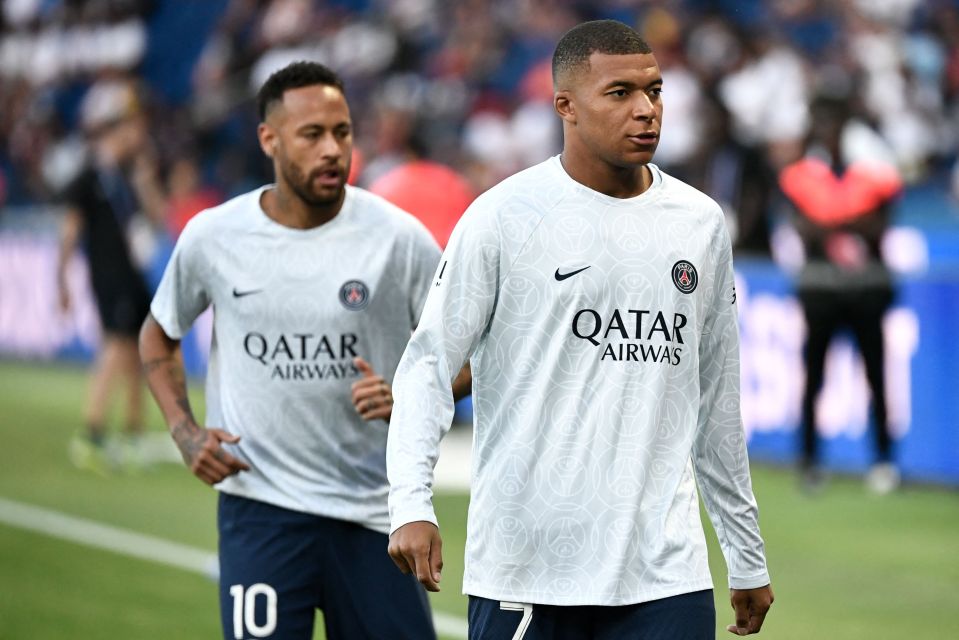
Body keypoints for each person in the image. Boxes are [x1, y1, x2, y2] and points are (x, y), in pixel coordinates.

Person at [387, 20, 774, 639]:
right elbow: (429, 367)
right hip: (529, 572)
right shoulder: (504, 217)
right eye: (619, 93)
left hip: (666, 576)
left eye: (655, 91)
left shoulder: (699, 224)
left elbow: (716, 403)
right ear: (564, 106)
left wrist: (745, 553)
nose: (646, 110)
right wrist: (410, 503)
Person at [139, 61, 468, 640]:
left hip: (373, 514)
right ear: (269, 139)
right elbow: (159, 334)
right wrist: (185, 431)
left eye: (342, 132)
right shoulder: (215, 236)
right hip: (260, 511)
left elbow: (472, 350)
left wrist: (410, 393)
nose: (333, 150)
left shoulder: (398, 238)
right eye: (312, 134)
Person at [778, 91, 903, 494]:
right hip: (821, 292)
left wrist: (830, 222)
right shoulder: (803, 177)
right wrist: (849, 222)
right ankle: (810, 461)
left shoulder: (870, 175)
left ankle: (883, 462)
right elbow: (804, 228)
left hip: (865, 291)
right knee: (814, 377)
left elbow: (876, 227)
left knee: (876, 376)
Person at [58, 78, 166, 474]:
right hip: (108, 274)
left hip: (135, 274)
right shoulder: (90, 175)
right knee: (116, 347)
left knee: (138, 351)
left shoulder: (130, 174)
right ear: (119, 127)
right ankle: (91, 432)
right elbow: (69, 230)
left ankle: (134, 433)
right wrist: (61, 281)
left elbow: (157, 217)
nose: (141, 134)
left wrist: (146, 179)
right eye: (135, 126)